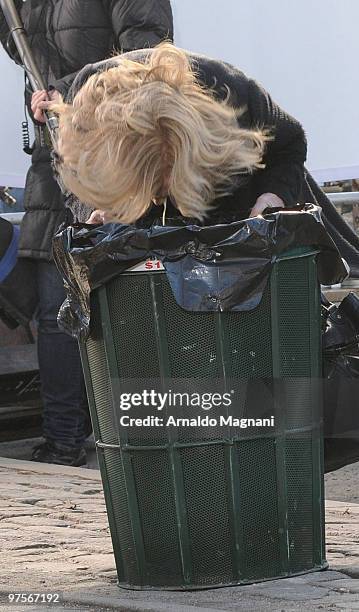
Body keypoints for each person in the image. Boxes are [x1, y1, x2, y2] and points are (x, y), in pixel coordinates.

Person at [0, 2, 174, 466]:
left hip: (120, 153)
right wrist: (42, 106)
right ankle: (62, 442)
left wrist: (68, 92)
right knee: (58, 310)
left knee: (128, 308)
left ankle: (141, 443)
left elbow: (149, 58)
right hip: (57, 158)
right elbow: (24, 55)